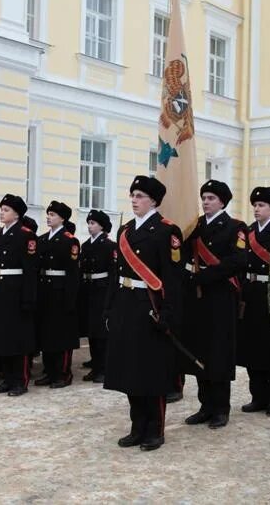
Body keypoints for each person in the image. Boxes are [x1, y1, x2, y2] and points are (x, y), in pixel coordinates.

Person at [104, 175, 183, 451]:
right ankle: (137, 427)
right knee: (130, 370)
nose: (134, 200)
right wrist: (110, 309)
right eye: (133, 195)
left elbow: (172, 279)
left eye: (139, 196)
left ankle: (154, 429)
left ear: (153, 201)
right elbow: (117, 274)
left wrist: (168, 313)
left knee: (151, 371)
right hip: (126, 304)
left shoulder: (166, 231)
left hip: (150, 307)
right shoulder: (125, 230)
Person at [181, 180, 247, 430]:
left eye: (210, 198)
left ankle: (221, 408)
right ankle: (205, 405)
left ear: (222, 201)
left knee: (218, 352)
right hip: (196, 297)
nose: (206, 202)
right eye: (204, 197)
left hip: (220, 296)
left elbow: (238, 261)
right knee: (199, 350)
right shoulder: (194, 226)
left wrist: (203, 276)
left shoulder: (235, 227)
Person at [0, 195, 39, 397]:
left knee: (18, 339)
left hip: (15, 293)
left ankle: (20, 380)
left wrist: (28, 298)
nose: (2, 213)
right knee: (2, 338)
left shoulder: (26, 235)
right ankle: (7, 379)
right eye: (1, 209)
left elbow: (30, 270)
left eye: (6, 209)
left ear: (17, 214)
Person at [237, 186, 270, 417]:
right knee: (252, 346)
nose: (257, 209)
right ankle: (257, 396)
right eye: (255, 205)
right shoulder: (248, 232)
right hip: (251, 292)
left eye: (262, 205)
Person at [34, 201, 81, 389]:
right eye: (48, 214)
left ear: (62, 218)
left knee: (61, 335)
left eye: (52, 214)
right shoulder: (43, 239)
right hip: (45, 291)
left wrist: (70, 299)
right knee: (46, 333)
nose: (48, 217)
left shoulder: (70, 240)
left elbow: (73, 274)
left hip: (60, 292)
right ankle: (49, 371)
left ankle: (63, 373)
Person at [78, 209, 116, 383]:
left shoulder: (109, 246)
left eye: (93, 223)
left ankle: (105, 368)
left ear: (102, 226)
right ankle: (95, 365)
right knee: (92, 332)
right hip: (89, 290)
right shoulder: (86, 245)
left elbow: (113, 273)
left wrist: (110, 296)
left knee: (102, 333)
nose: (89, 226)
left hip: (102, 290)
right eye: (89, 223)